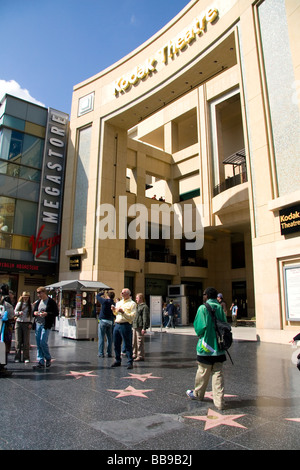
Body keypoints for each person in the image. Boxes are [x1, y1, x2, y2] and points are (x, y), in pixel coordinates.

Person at [186, 286, 227, 410]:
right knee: (218, 373)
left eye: (204, 294)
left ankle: (198, 394)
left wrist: (202, 334)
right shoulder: (219, 307)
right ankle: (219, 401)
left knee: (202, 372)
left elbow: (199, 327)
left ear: (207, 296)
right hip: (219, 347)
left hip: (206, 346)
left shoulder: (203, 308)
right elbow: (225, 325)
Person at [32, 287, 59, 369]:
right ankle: (40, 360)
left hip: (46, 324)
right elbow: (34, 311)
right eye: (37, 293)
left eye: (40, 293)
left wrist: (47, 313)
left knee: (43, 341)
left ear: (44, 292)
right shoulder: (38, 302)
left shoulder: (51, 302)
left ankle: (48, 358)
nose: (38, 295)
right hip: (38, 324)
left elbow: (56, 312)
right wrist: (35, 312)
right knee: (38, 342)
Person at [111, 288, 136, 369]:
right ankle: (117, 360)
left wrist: (123, 312)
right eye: (121, 292)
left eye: (124, 292)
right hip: (117, 324)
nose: (122, 293)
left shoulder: (132, 304)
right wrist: (114, 310)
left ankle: (129, 361)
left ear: (128, 294)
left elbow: (131, 317)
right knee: (116, 344)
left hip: (126, 325)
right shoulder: (119, 303)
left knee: (127, 344)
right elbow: (116, 314)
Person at [14, 291, 33, 363]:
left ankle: (26, 357)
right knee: (18, 341)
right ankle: (17, 357)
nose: (25, 298)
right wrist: (18, 313)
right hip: (19, 323)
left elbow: (32, 316)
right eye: (24, 297)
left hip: (26, 323)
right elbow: (14, 312)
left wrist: (31, 323)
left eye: (27, 297)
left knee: (26, 342)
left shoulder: (30, 305)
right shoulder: (19, 304)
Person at [0, 284, 14, 377]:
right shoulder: (6, 305)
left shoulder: (7, 305)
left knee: (3, 348)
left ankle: (1, 368)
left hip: (3, 330)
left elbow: (11, 316)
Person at [96, 290, 115, 357]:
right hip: (110, 321)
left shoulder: (104, 301)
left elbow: (97, 296)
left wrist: (102, 293)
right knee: (109, 338)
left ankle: (101, 353)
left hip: (103, 321)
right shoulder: (114, 303)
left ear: (108, 296)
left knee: (101, 337)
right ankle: (109, 353)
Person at [132, 293, 150, 362]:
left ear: (141, 298)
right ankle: (134, 353)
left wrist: (144, 328)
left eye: (137, 298)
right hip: (135, 325)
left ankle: (140, 355)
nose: (136, 299)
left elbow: (145, 318)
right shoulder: (137, 306)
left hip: (140, 326)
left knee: (139, 341)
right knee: (134, 341)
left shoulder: (144, 307)